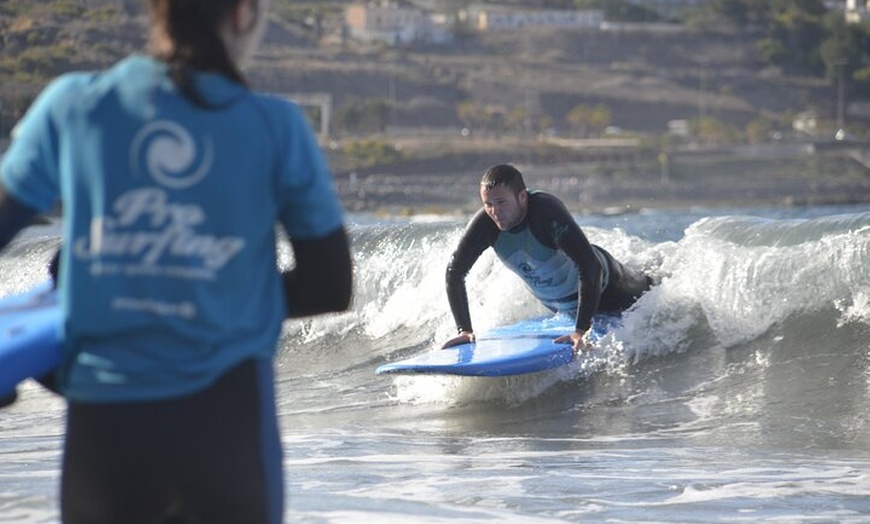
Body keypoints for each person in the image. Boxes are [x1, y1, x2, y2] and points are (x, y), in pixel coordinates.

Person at [0, 0, 352, 522]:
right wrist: (216, 293)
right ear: (243, 14)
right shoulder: (274, 126)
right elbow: (329, 285)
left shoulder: (74, 105)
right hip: (227, 434)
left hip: (107, 445)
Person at [443, 164, 651, 352]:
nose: (495, 211)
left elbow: (590, 266)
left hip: (611, 289)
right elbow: (454, 272)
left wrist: (580, 330)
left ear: (522, 196)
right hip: (565, 306)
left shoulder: (545, 211)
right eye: (488, 204)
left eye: (501, 202)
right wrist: (464, 329)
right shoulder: (485, 225)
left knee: (651, 293)